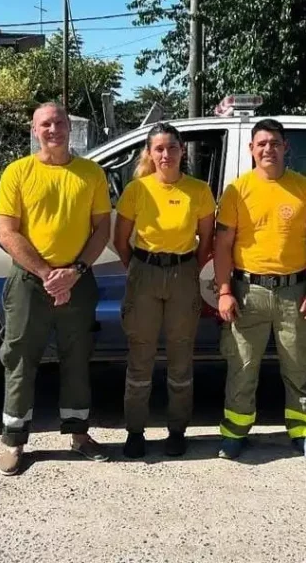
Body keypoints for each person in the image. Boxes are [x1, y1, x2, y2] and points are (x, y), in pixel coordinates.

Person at [0, 102, 113, 476]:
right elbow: (7, 231)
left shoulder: (91, 173)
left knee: (77, 359)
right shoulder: (17, 173)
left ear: (68, 128)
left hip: (78, 282)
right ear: (35, 130)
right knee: (19, 359)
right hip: (29, 283)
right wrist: (48, 273)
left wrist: (74, 271)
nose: (54, 129)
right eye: (46, 124)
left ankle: (79, 435)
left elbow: (101, 230)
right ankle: (14, 441)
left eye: (59, 122)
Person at [213, 118, 306, 463]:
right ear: (251, 149)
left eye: (275, 143)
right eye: (261, 143)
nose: (268, 149)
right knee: (242, 367)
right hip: (247, 291)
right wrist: (224, 291)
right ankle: (234, 433)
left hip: (294, 291)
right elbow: (223, 247)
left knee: (297, 366)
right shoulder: (237, 190)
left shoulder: (305, 189)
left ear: (285, 147)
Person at [112, 122, 216, 459]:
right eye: (159, 149)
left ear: (182, 150)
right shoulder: (137, 190)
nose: (166, 154)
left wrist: (186, 269)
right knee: (140, 358)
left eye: (172, 147)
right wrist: (142, 269)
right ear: (150, 153)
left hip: (183, 273)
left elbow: (206, 240)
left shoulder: (199, 191)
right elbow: (120, 240)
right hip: (144, 272)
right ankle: (135, 431)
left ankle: (176, 430)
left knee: (180, 358)